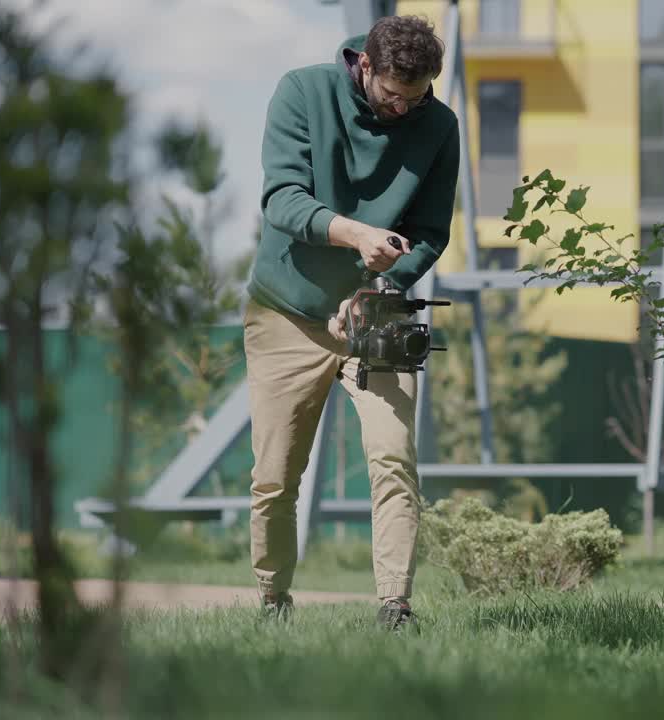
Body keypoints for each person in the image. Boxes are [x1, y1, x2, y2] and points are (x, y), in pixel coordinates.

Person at [244, 15, 458, 631]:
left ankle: (395, 606)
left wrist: (381, 286)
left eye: (415, 99)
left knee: (394, 459)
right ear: (364, 65)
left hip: (375, 315)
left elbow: (431, 232)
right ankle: (272, 599)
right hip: (286, 309)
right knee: (275, 477)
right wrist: (356, 233)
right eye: (392, 95)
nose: (402, 110)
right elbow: (282, 199)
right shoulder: (301, 92)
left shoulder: (439, 125)